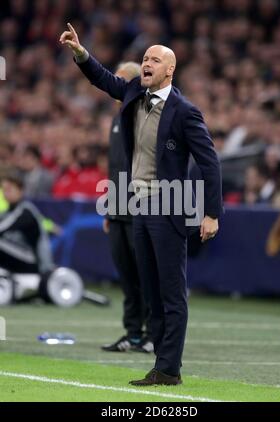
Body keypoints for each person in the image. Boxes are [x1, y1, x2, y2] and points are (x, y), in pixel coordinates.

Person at [60, 23, 223, 386]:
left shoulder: (185, 111)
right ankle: (159, 360)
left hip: (169, 207)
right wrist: (80, 52)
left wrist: (211, 213)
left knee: (170, 291)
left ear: (170, 70)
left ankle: (169, 368)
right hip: (139, 206)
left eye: (154, 59)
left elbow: (210, 162)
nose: (145, 63)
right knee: (150, 288)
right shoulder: (134, 91)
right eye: (144, 58)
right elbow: (103, 79)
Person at [102, 61, 153, 353]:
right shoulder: (117, 118)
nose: (114, 85)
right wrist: (109, 208)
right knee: (127, 276)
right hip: (118, 209)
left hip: (141, 208)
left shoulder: (144, 114)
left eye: (120, 80)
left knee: (147, 274)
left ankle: (153, 334)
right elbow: (114, 167)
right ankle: (133, 333)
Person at [0, 170, 54, 275]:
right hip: (18, 257)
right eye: (4, 190)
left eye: (9, 189)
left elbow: (3, 228)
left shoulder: (26, 211)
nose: (6, 193)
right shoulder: (7, 212)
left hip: (35, 262)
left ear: (20, 190)